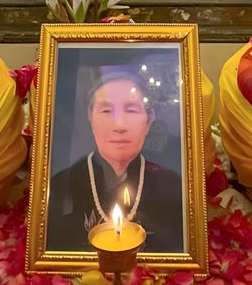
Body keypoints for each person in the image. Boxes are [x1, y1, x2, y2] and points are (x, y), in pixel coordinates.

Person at [46, 71, 184, 254]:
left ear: (149, 120)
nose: (119, 126)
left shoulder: (175, 187)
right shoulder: (60, 186)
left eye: (132, 110)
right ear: (90, 117)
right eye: (106, 111)